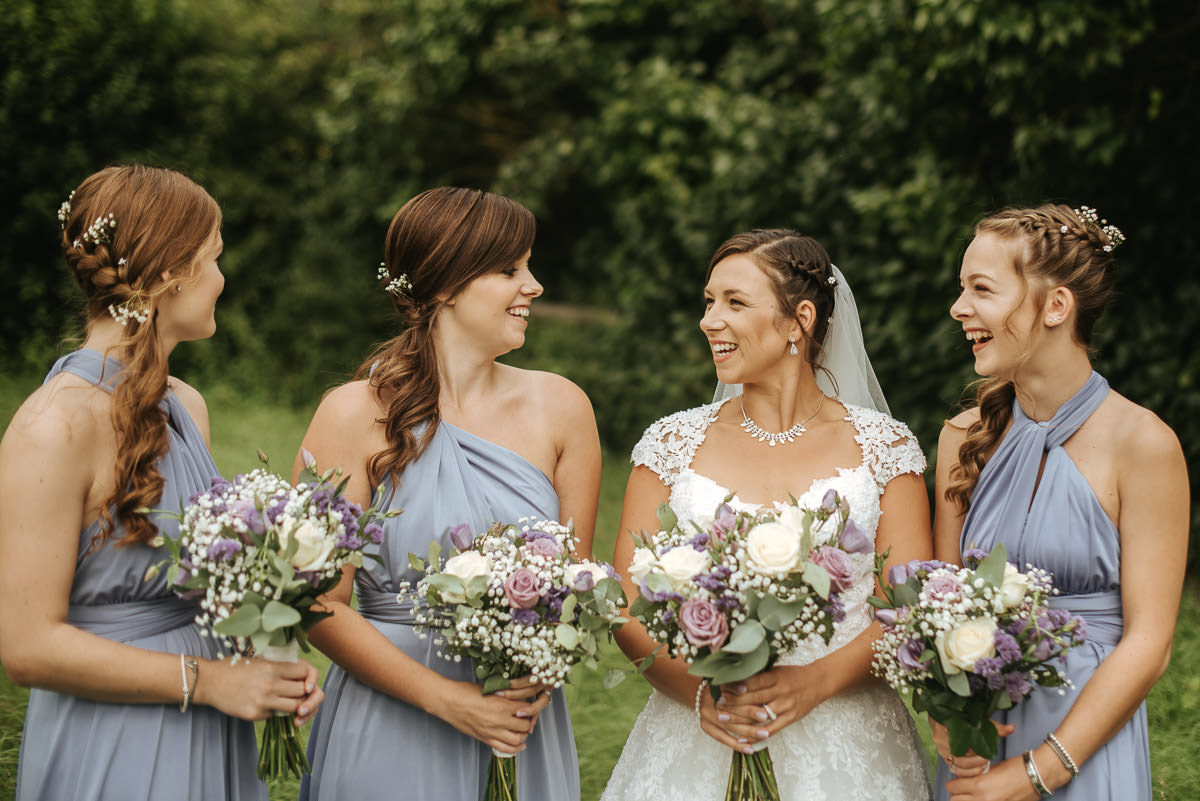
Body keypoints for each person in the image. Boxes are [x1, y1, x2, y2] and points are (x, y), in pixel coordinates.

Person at [0, 165, 323, 801]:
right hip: (117, 737)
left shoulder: (185, 404)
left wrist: (266, 648)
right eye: (215, 258)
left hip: (211, 724)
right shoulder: (54, 426)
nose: (224, 279)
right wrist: (209, 680)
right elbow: (26, 646)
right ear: (169, 276)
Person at [602, 229, 933, 801]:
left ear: (799, 319)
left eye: (734, 302)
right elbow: (625, 603)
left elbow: (908, 607)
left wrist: (814, 681)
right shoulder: (670, 443)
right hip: (700, 729)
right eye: (709, 301)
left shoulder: (885, 448)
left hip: (847, 738)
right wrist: (701, 695)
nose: (709, 320)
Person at [296, 186, 601, 800]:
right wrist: (452, 702)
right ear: (444, 286)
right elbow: (320, 602)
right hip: (390, 718)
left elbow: (577, 587)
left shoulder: (563, 407)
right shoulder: (352, 415)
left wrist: (533, 675)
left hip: (518, 718)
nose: (534, 285)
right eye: (511, 269)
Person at [932, 204, 1189, 800]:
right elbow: (938, 604)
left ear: (1055, 306)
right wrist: (946, 714)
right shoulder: (961, 438)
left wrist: (1040, 771)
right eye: (960, 288)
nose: (959, 308)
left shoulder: (1144, 445)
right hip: (981, 737)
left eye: (981, 289)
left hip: (1085, 741)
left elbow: (1151, 643)